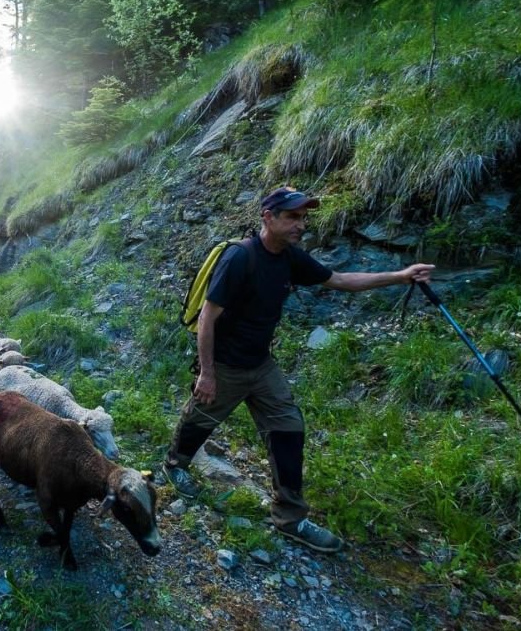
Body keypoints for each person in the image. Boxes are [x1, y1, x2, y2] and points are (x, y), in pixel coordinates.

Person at [162, 185, 435, 552]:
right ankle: (175, 463)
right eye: (292, 216)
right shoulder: (240, 258)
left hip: (261, 366)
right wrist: (207, 374)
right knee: (201, 416)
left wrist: (401, 275)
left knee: (288, 428)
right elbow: (209, 317)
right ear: (267, 217)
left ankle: (289, 518)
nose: (300, 224)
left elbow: (340, 281)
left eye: (303, 217)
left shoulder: (291, 258)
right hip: (225, 365)